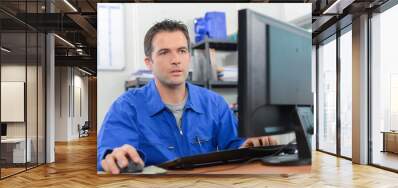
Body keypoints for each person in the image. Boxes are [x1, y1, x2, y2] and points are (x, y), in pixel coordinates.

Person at [98, 19, 277, 173]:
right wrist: (114, 156)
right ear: (149, 63)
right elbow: (111, 152)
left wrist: (249, 146)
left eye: (182, 51)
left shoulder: (214, 103)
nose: (176, 59)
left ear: (189, 57)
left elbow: (235, 145)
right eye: (164, 52)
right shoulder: (126, 107)